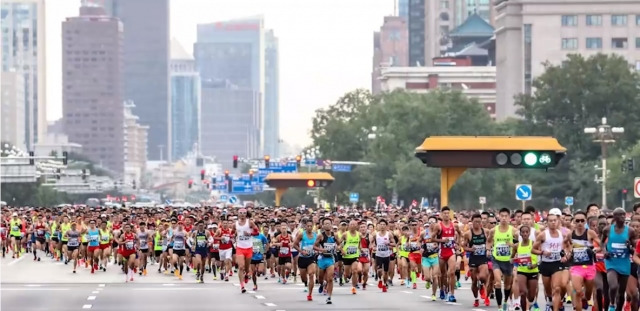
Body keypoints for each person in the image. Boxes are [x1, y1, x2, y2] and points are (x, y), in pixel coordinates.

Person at [533, 208, 570, 311]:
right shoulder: (543, 235)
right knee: (548, 290)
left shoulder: (562, 234)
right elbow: (533, 250)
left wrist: (566, 255)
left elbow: (568, 247)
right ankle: (550, 302)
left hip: (557, 264)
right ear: (547, 222)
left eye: (555, 220)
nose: (553, 222)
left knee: (557, 288)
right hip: (545, 264)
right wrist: (542, 252)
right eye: (551, 221)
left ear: (558, 221)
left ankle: (556, 308)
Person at [602, 208, 636, 311]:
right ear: (615, 217)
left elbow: (633, 250)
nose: (623, 217)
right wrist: (604, 251)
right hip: (611, 261)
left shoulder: (630, 231)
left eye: (624, 214)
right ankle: (612, 304)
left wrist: (629, 246)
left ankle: (618, 308)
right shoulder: (607, 229)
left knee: (621, 294)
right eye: (620, 215)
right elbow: (602, 243)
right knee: (613, 286)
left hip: (624, 262)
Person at [464, 213, 490, 307]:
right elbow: (463, 246)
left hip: (483, 257)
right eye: (475, 222)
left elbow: (489, 242)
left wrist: (488, 249)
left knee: (483, 276)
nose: (477, 224)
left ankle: (483, 287)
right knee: (474, 281)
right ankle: (476, 299)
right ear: (472, 222)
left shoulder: (486, 231)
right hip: (473, 258)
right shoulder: (468, 234)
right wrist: (470, 249)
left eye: (479, 222)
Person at [234, 208, 260, 293]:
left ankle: (246, 275)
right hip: (240, 248)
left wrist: (250, 234)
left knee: (246, 268)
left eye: (244, 213)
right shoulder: (236, 224)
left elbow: (257, 232)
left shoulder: (250, 222)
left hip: (249, 248)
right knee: (241, 267)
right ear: (238, 214)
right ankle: (242, 286)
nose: (242, 215)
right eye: (240, 213)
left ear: (246, 214)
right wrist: (233, 238)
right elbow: (232, 233)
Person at [314, 217, 340, 304]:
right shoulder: (320, 236)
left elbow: (340, 244)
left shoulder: (335, 235)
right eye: (325, 224)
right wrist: (321, 250)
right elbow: (314, 246)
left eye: (329, 223)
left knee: (330, 278)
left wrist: (338, 248)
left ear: (331, 225)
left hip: (330, 259)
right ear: (322, 226)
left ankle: (329, 297)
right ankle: (322, 284)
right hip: (322, 259)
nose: (327, 225)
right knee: (320, 278)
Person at [293, 218, 317, 301]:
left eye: (311, 226)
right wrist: (301, 251)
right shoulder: (301, 234)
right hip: (302, 258)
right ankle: (305, 282)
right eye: (308, 226)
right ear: (305, 227)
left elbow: (319, 245)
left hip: (311, 257)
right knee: (304, 278)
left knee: (311, 274)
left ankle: (310, 294)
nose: (309, 227)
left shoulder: (316, 235)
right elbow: (294, 245)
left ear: (313, 226)